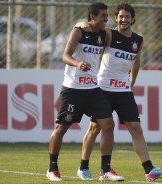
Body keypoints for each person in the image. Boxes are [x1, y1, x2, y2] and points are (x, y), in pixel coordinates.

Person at [75, 3, 162, 182]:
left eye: (127, 16)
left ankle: (149, 170)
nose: (123, 19)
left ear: (132, 19)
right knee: (95, 128)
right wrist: (80, 25)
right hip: (103, 89)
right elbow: (90, 29)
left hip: (124, 91)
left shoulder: (138, 40)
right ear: (116, 18)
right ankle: (83, 167)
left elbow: (136, 62)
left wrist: (131, 82)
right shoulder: (109, 34)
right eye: (120, 16)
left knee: (136, 128)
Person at [46, 2, 124, 182]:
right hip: (73, 89)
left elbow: (120, 32)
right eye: (103, 16)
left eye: (107, 16)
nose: (106, 19)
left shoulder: (104, 34)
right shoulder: (78, 31)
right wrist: (77, 63)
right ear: (92, 17)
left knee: (108, 124)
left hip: (93, 89)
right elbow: (65, 55)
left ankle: (105, 170)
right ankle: (52, 168)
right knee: (61, 128)